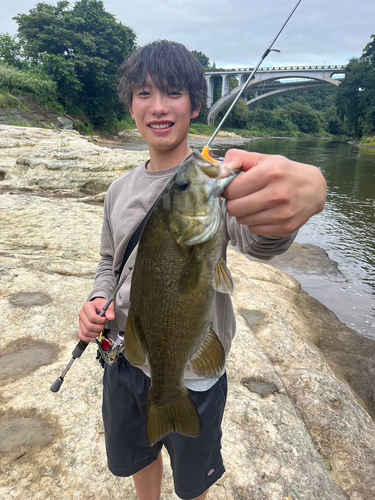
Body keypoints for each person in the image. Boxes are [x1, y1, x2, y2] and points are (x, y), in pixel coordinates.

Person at [78, 40, 327, 500]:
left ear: (196, 105)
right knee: (139, 453)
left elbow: (259, 241)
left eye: (173, 93)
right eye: (143, 94)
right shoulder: (118, 190)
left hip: (194, 370)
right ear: (130, 106)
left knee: (194, 481)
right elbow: (107, 264)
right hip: (126, 358)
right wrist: (97, 298)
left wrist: (299, 203)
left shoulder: (216, 186)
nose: (157, 107)